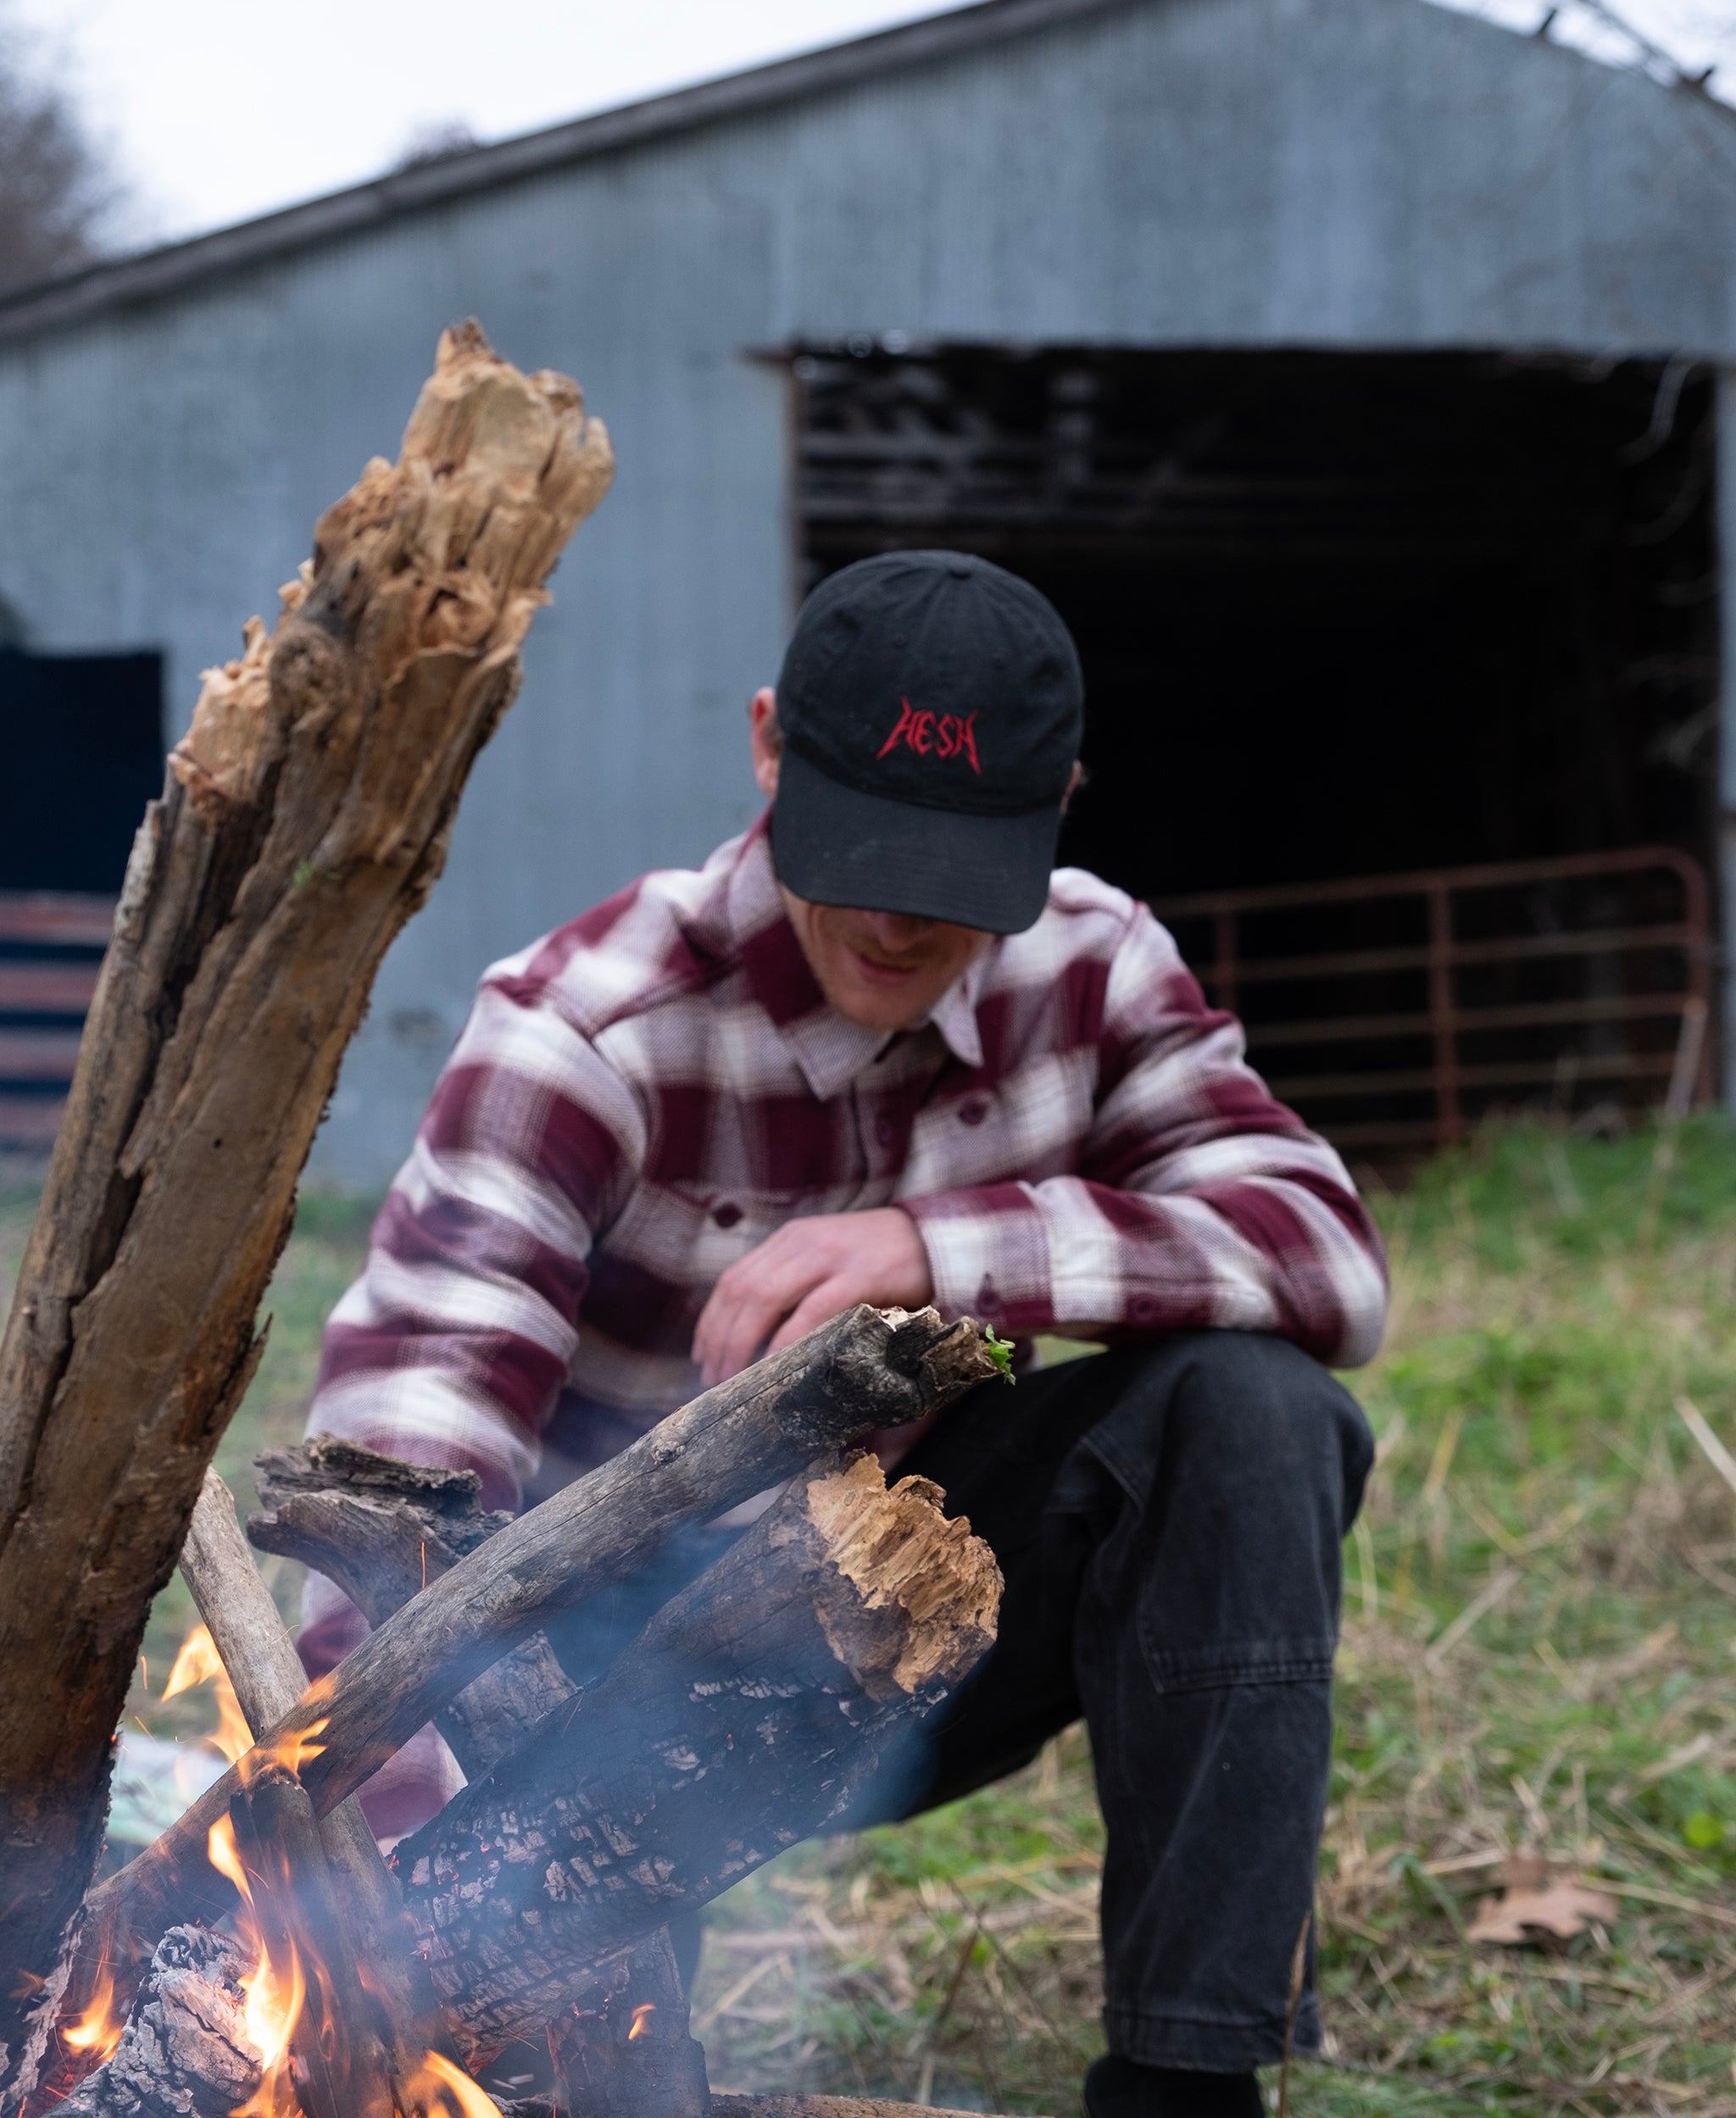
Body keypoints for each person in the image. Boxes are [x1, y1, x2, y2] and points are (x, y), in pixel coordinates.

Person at [299, 550, 1387, 2118]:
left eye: (952, 870)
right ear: (766, 748)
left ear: (1059, 804)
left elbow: (1327, 1255)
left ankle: (1190, 2082)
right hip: (595, 1706)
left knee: (1253, 1410)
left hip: (918, 1631)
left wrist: (947, 1250)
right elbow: (412, 1446)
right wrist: (384, 1881)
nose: (894, 917)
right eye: (862, 848)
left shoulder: (1093, 965)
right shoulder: (583, 1026)